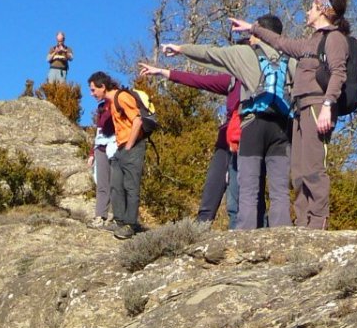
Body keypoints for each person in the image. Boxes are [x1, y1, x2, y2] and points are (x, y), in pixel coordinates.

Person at [160, 16, 293, 231]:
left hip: (253, 124)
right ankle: (282, 238)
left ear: (257, 33)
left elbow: (211, 54)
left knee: (248, 188)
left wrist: (181, 49)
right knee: (280, 190)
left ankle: (245, 238)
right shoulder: (290, 58)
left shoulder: (245, 54)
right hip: (281, 127)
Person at [234, 0, 350, 229]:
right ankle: (302, 223)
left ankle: (317, 224)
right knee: (298, 171)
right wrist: (253, 29)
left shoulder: (335, 38)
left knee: (313, 168)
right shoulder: (312, 41)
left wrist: (328, 105)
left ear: (322, 11)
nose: (307, 11)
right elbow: (282, 43)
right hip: (300, 109)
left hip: (318, 106)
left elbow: (339, 73)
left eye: (312, 7)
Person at [137, 59, 247, 228]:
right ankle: (200, 232)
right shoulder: (232, 80)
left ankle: (240, 236)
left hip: (246, 141)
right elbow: (198, 80)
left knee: (238, 199)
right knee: (212, 188)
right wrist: (161, 72)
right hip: (225, 141)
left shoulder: (258, 80)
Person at [88, 72, 145, 238]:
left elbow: (138, 120)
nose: (92, 94)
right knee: (116, 185)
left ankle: (130, 225)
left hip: (132, 146)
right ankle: (119, 221)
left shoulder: (122, 97)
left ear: (103, 87)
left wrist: (128, 146)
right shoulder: (111, 103)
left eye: (93, 90)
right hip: (121, 147)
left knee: (131, 187)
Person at [87, 87, 117, 227]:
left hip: (116, 147)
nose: (91, 94)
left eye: (93, 90)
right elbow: (98, 131)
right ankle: (100, 216)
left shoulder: (118, 104)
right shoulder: (101, 107)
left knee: (116, 184)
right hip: (101, 148)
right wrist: (92, 154)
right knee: (102, 184)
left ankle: (117, 217)